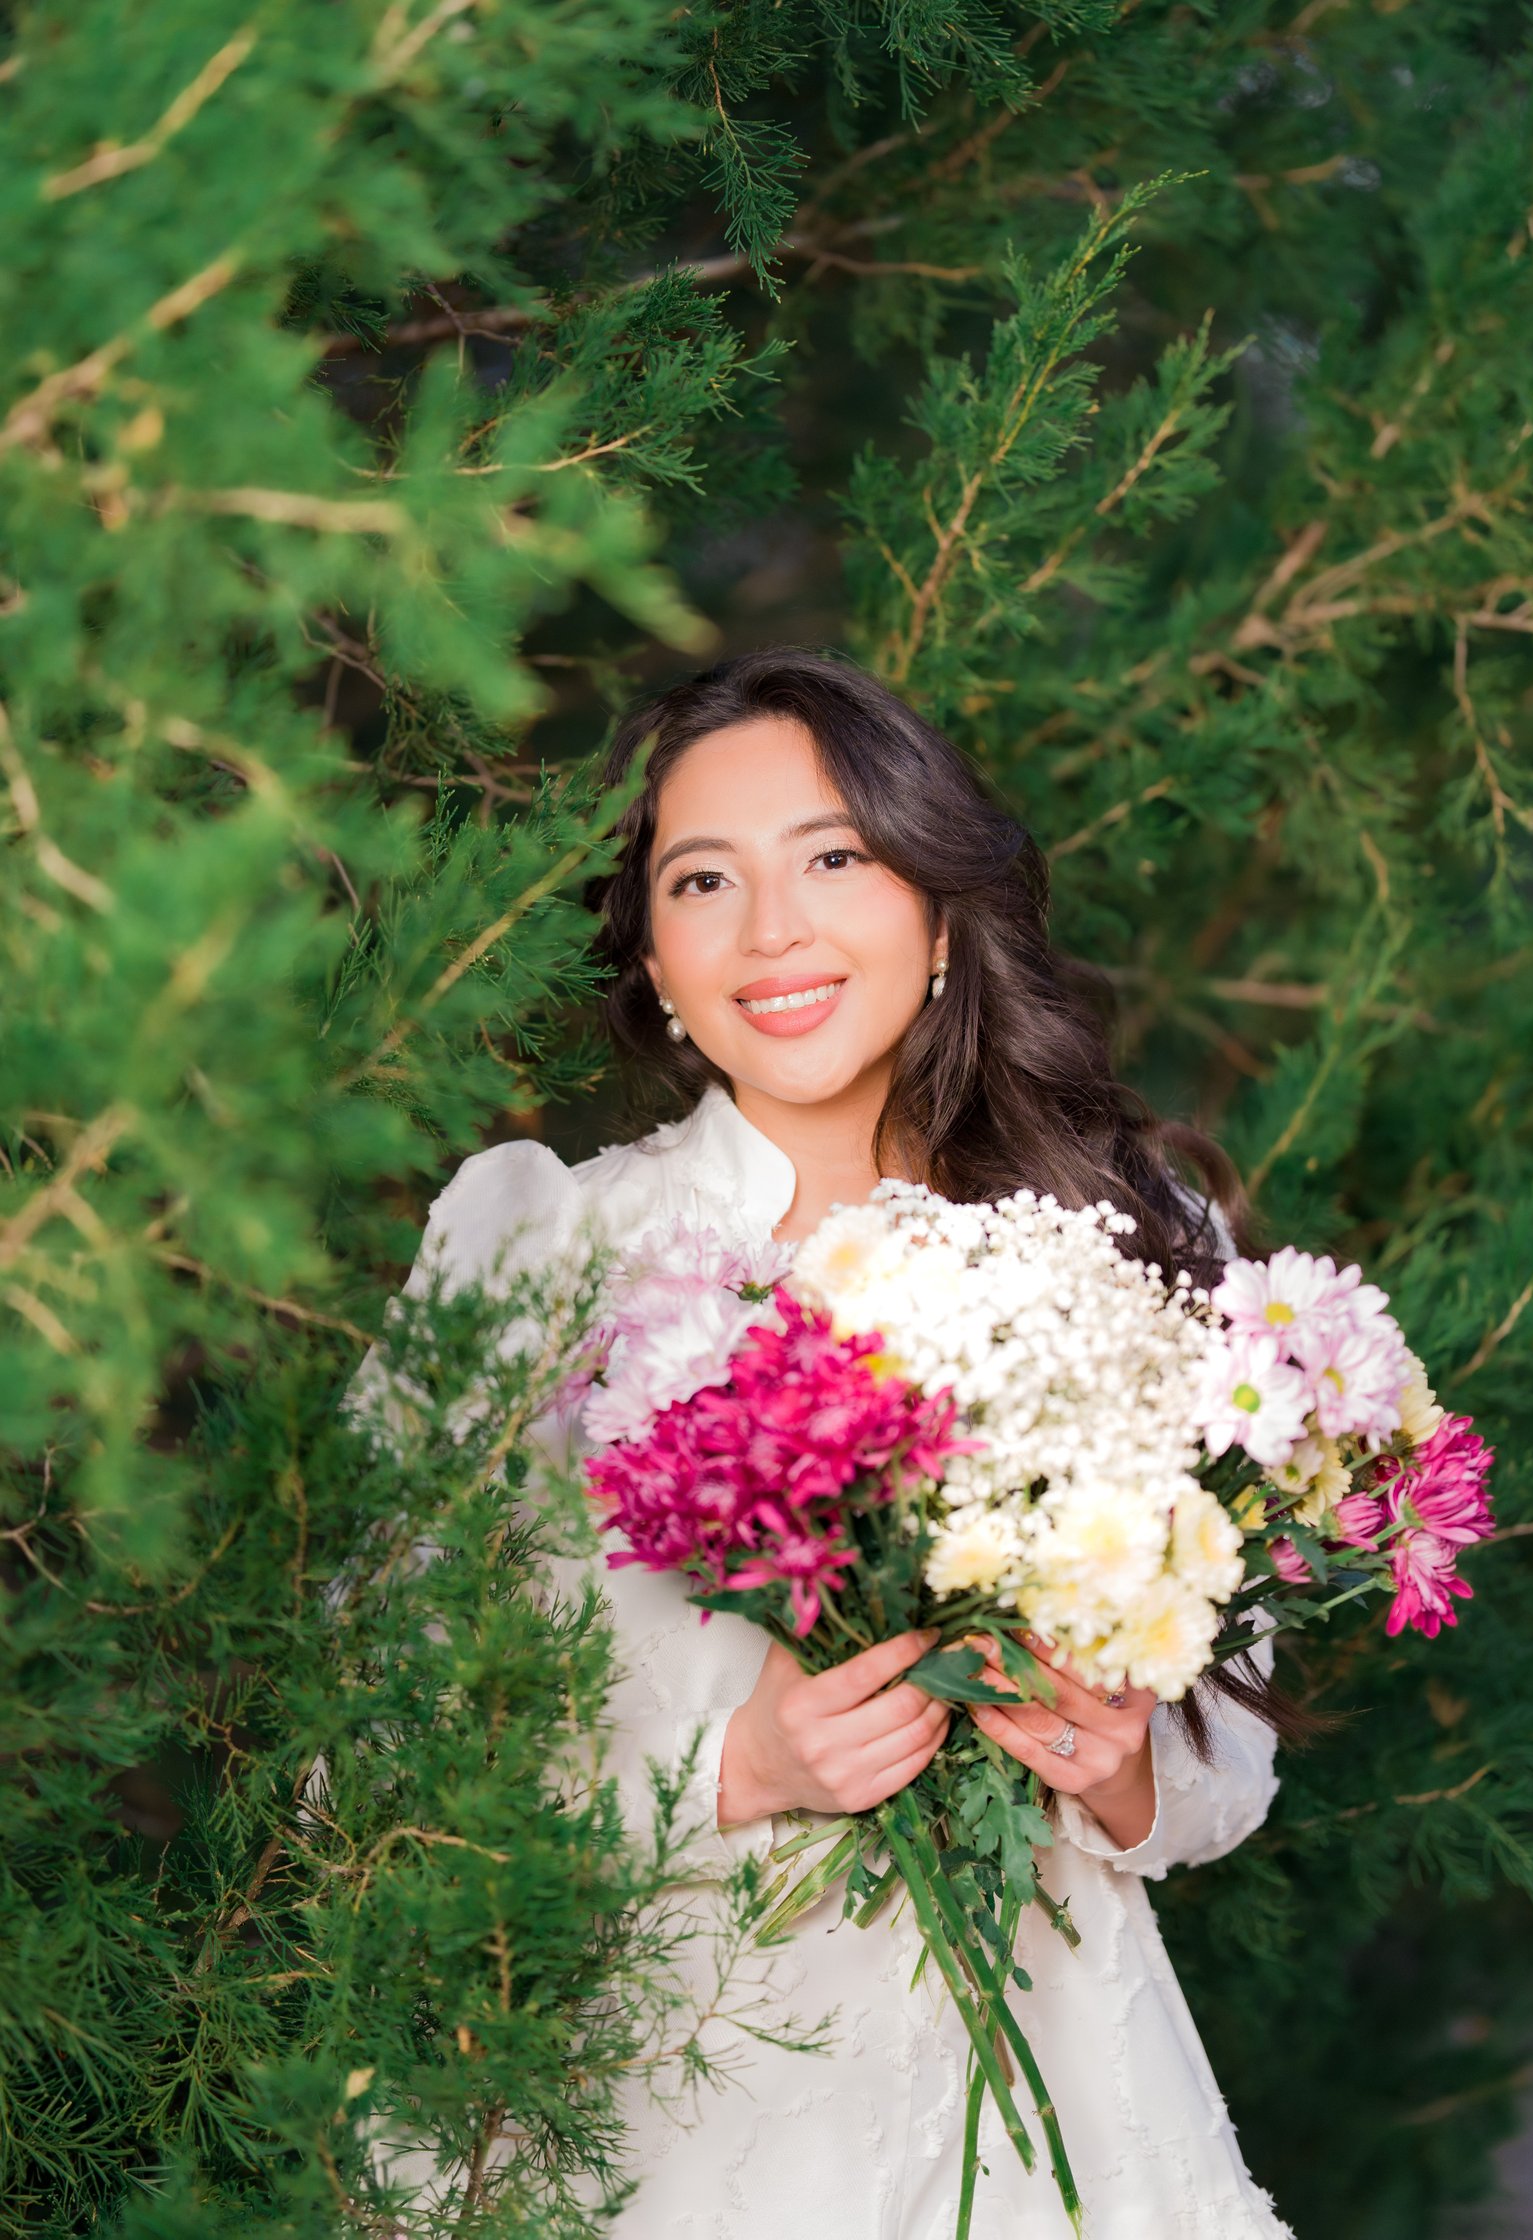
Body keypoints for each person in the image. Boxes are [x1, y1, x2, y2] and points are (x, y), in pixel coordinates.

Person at [392, 647, 1294, 2238]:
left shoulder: (1121, 1235)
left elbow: (1232, 1765)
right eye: (703, 880)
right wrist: (734, 1768)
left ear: (938, 910)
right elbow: (362, 1768)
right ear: (653, 952)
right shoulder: (542, 1259)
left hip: (1057, 2128)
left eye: (833, 858)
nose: (772, 931)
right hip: (660, 2125)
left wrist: (1126, 1768)